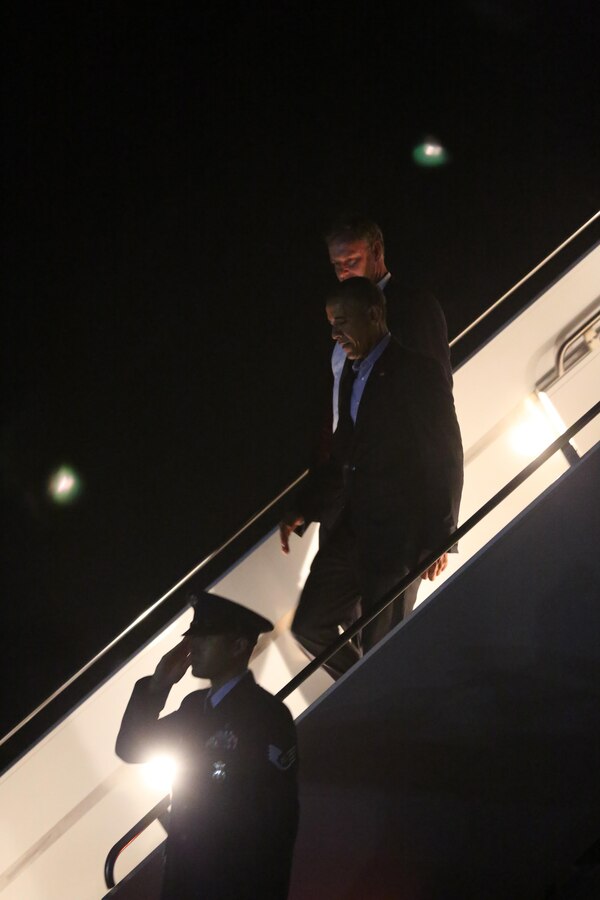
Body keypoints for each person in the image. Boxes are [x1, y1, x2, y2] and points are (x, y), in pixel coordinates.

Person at [280, 277, 463, 679]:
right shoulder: (349, 376)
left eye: (342, 321)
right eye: (331, 324)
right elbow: (345, 454)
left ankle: (382, 695)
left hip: (399, 542)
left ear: (375, 314)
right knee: (309, 626)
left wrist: (442, 538)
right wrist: (305, 507)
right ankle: (368, 686)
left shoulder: (417, 371)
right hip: (352, 532)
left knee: (386, 646)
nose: (334, 333)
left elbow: (445, 456)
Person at [115, 591, 299, 900]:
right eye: (193, 636)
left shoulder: (266, 715)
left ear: (238, 646)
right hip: (186, 881)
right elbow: (132, 748)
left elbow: (275, 824)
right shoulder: (194, 707)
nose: (193, 646)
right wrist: (157, 687)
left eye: (206, 637)